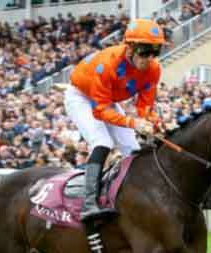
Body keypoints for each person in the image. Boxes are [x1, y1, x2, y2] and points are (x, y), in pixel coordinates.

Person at [64, 18, 164, 223]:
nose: (150, 59)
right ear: (130, 48)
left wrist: (153, 122)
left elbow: (144, 107)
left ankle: (135, 199)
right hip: (81, 96)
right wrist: (133, 123)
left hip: (107, 100)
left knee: (132, 148)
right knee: (102, 142)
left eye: (155, 52)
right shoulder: (108, 64)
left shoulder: (153, 69)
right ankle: (89, 204)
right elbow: (100, 111)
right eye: (145, 52)